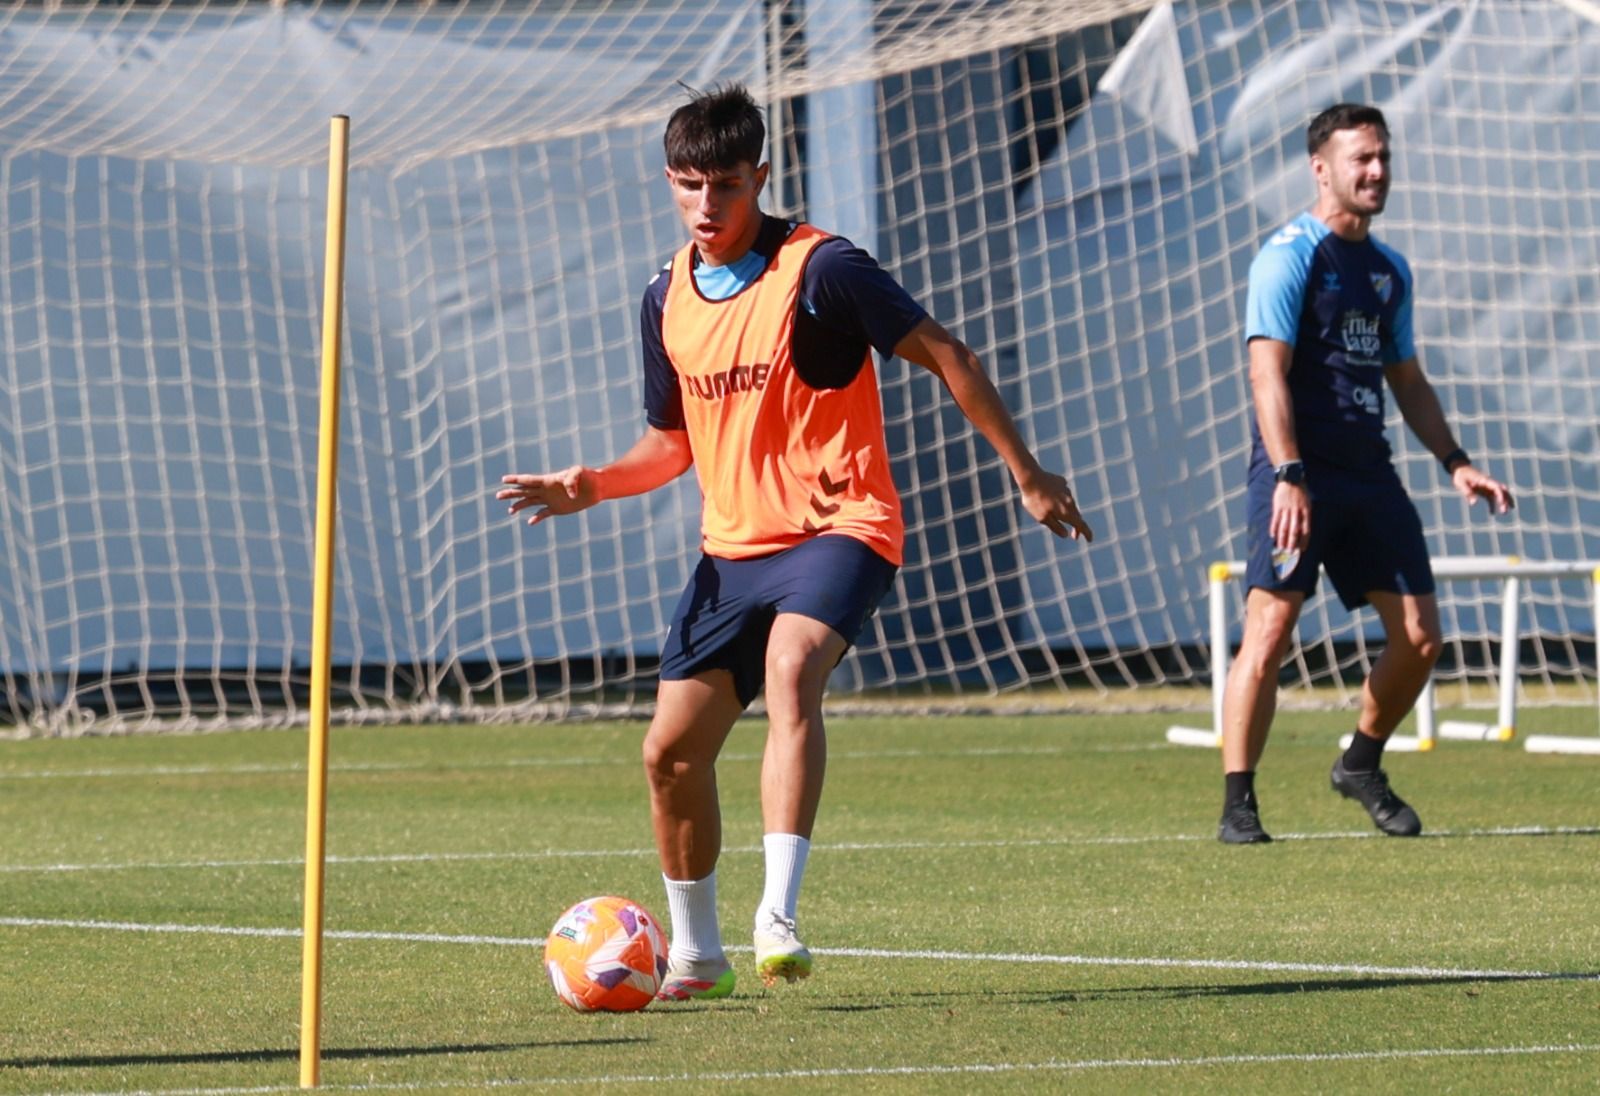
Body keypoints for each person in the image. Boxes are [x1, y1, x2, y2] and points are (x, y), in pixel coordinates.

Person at [498, 84, 1093, 996]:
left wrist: (1027, 471)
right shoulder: (665, 296)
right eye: (689, 186)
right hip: (732, 552)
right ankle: (696, 954)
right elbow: (670, 442)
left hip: (840, 524)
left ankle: (777, 910)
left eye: (727, 186)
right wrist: (592, 484)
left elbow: (951, 357)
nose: (707, 206)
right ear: (670, 182)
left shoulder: (823, 269)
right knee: (668, 753)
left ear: (761, 178)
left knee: (790, 670)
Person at [1218, 102, 1514, 845]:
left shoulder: (1388, 271)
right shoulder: (1289, 256)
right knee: (1272, 626)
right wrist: (1288, 473)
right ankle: (1238, 802)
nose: (1377, 171)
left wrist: (1457, 462)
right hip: (1297, 474)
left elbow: (1407, 381)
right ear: (1322, 169)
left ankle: (1360, 762)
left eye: (1383, 156)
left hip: (1369, 474)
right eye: (1362, 159)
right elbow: (1266, 374)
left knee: (1420, 639)